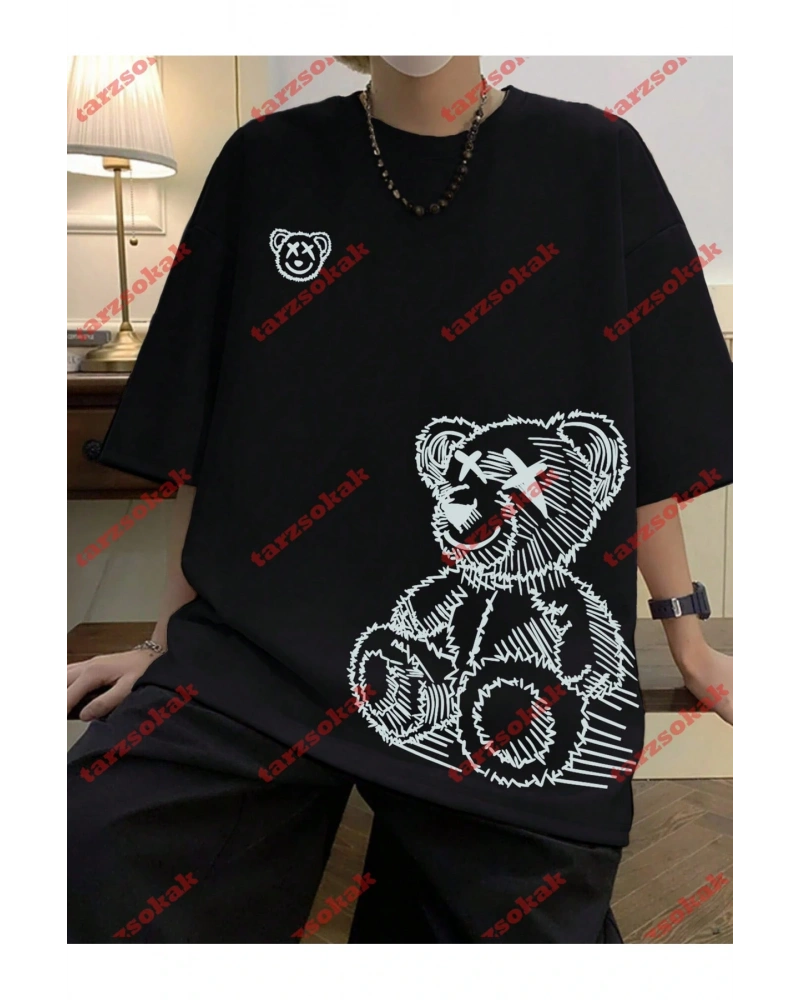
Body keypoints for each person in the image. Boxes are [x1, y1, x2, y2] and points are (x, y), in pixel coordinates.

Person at [65, 55, 735, 944]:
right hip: (260, 653)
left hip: (500, 691)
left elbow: (648, 435)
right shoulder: (266, 162)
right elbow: (207, 438)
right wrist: (163, 642)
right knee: (97, 851)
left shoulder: (597, 160)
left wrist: (689, 639)